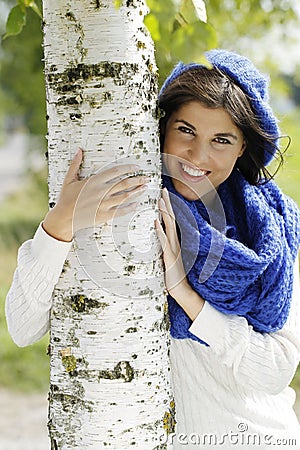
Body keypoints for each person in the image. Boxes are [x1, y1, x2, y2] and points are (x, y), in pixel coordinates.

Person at [5, 49, 300, 449]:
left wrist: (185, 292)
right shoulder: (123, 206)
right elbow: (22, 327)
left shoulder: (269, 230)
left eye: (221, 140)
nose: (197, 156)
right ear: (163, 128)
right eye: (186, 130)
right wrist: (60, 223)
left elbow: (274, 370)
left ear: (242, 145)